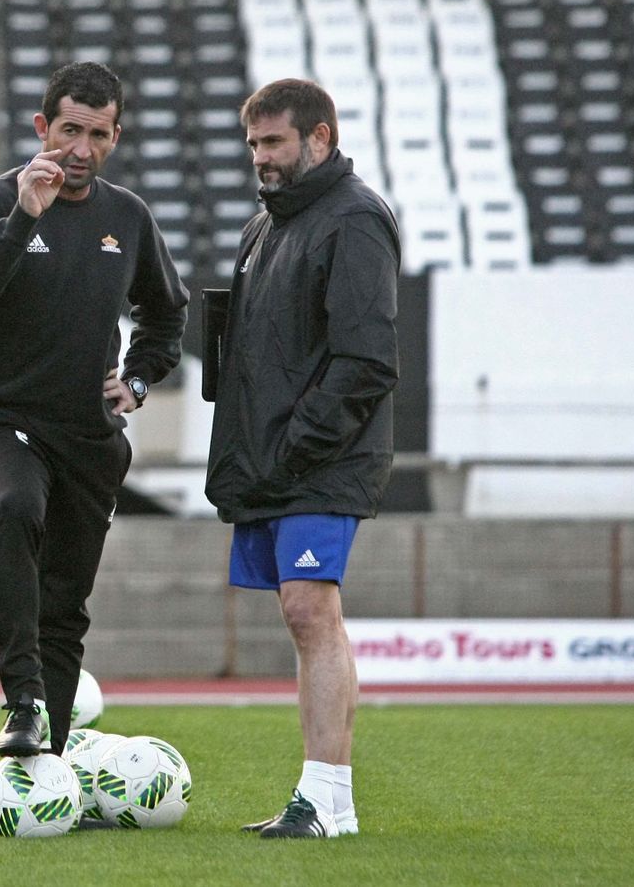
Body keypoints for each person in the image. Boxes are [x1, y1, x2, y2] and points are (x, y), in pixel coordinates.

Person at [0, 61, 189, 758]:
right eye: (70, 130)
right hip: (0, 415)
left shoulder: (127, 216)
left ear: (116, 136)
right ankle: (21, 703)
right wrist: (25, 216)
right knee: (17, 508)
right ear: (42, 128)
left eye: (99, 134)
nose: (82, 150)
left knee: (67, 598)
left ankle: (47, 749)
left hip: (87, 429)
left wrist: (139, 381)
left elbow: (166, 312)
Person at [205, 78, 399, 839]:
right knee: (303, 617)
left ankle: (324, 801)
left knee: (310, 607)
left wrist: (293, 450)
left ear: (319, 138)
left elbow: (365, 362)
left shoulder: (355, 219)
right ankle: (329, 802)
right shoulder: (264, 228)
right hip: (275, 458)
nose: (261, 158)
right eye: (254, 144)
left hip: (323, 456)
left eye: (274, 142)